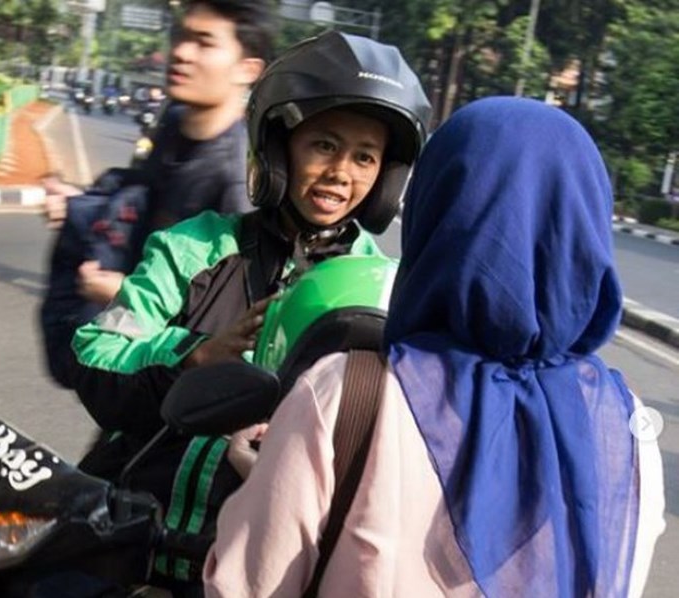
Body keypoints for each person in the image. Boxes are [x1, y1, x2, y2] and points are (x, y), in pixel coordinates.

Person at [204, 97, 666, 597]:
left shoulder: (349, 395)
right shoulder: (628, 430)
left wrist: (273, 481)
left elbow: (244, 588)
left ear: (438, 215)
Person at [66, 31, 432, 591]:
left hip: (262, 571)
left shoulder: (378, 293)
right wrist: (191, 357)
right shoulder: (195, 249)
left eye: (365, 157)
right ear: (279, 146)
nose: (342, 172)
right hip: (135, 540)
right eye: (325, 145)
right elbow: (95, 355)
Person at [39, 0, 276, 388]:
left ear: (247, 69)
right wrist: (81, 206)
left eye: (204, 42)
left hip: (176, 391)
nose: (181, 52)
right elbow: (144, 198)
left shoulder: (237, 181)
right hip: (134, 363)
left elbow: (233, 317)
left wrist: (122, 290)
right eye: (181, 37)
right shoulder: (175, 121)